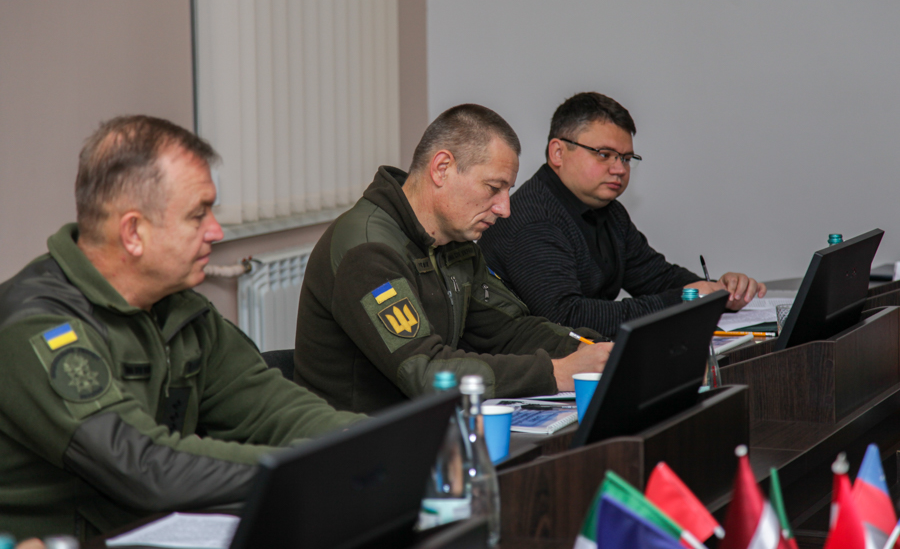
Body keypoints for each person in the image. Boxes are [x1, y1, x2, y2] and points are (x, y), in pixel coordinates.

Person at [0, 116, 364, 541]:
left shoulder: (180, 309)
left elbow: (272, 408)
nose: (216, 231)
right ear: (133, 232)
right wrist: (314, 469)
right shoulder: (39, 326)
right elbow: (141, 464)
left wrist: (366, 443)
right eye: (198, 214)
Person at [294, 104, 613, 414]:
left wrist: (590, 349)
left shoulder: (454, 242)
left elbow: (509, 330)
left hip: (422, 423)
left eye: (507, 190)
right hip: (357, 436)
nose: (505, 208)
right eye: (494, 187)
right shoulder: (367, 250)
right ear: (442, 168)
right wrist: (556, 372)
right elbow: (426, 372)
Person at [478, 92, 766, 339]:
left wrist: (720, 291)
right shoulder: (533, 219)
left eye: (626, 159)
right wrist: (685, 299)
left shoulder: (610, 212)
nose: (619, 169)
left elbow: (657, 277)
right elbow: (567, 318)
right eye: (604, 154)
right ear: (558, 153)